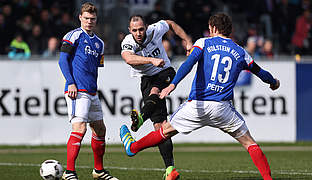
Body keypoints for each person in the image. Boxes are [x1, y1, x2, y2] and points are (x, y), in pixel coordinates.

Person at [120, 13, 280, 180]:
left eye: (210, 28)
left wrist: (172, 85)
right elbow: (260, 72)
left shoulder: (203, 43)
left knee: (164, 131)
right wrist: (273, 82)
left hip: (197, 106)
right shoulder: (240, 52)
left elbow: (188, 65)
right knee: (250, 143)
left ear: (214, 28)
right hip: (222, 108)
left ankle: (133, 147)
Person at [120, 15, 192, 180]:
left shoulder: (155, 29)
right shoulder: (128, 41)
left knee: (155, 92)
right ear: (130, 31)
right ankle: (170, 170)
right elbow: (128, 58)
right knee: (160, 127)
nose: (138, 33)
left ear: (146, 27)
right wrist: (151, 60)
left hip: (165, 72)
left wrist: (187, 40)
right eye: (135, 30)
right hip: (146, 79)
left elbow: (171, 24)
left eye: (141, 29)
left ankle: (140, 118)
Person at [58, 3, 118, 180]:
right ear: (80, 18)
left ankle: (98, 171)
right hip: (77, 90)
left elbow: (96, 67)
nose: (89, 21)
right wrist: (70, 82)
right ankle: (69, 172)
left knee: (100, 129)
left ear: (96, 20)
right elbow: (63, 60)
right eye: (86, 18)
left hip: (92, 92)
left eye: (92, 19)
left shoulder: (99, 43)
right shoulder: (73, 35)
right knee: (80, 128)